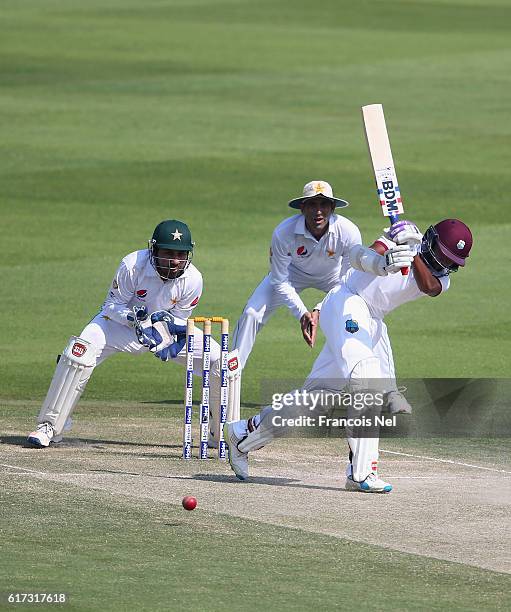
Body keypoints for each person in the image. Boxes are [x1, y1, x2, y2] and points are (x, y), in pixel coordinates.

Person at [224, 218, 473, 493]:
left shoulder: (440, 278)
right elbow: (357, 257)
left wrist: (412, 255)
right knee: (367, 378)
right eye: (442, 255)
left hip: (372, 319)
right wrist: (385, 256)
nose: (444, 264)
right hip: (346, 301)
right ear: (430, 241)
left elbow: (428, 285)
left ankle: (242, 435)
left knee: (315, 401)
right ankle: (362, 472)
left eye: (451, 262)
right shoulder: (397, 240)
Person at [27, 219, 225, 447]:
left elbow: (180, 319)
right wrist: (133, 319)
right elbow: (111, 305)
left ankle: (218, 433)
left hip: (159, 331)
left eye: (181, 255)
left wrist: (166, 337)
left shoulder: (193, 279)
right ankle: (50, 426)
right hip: (118, 325)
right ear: (154, 249)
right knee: (77, 354)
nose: (174, 261)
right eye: (168, 252)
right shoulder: (132, 266)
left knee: (219, 360)